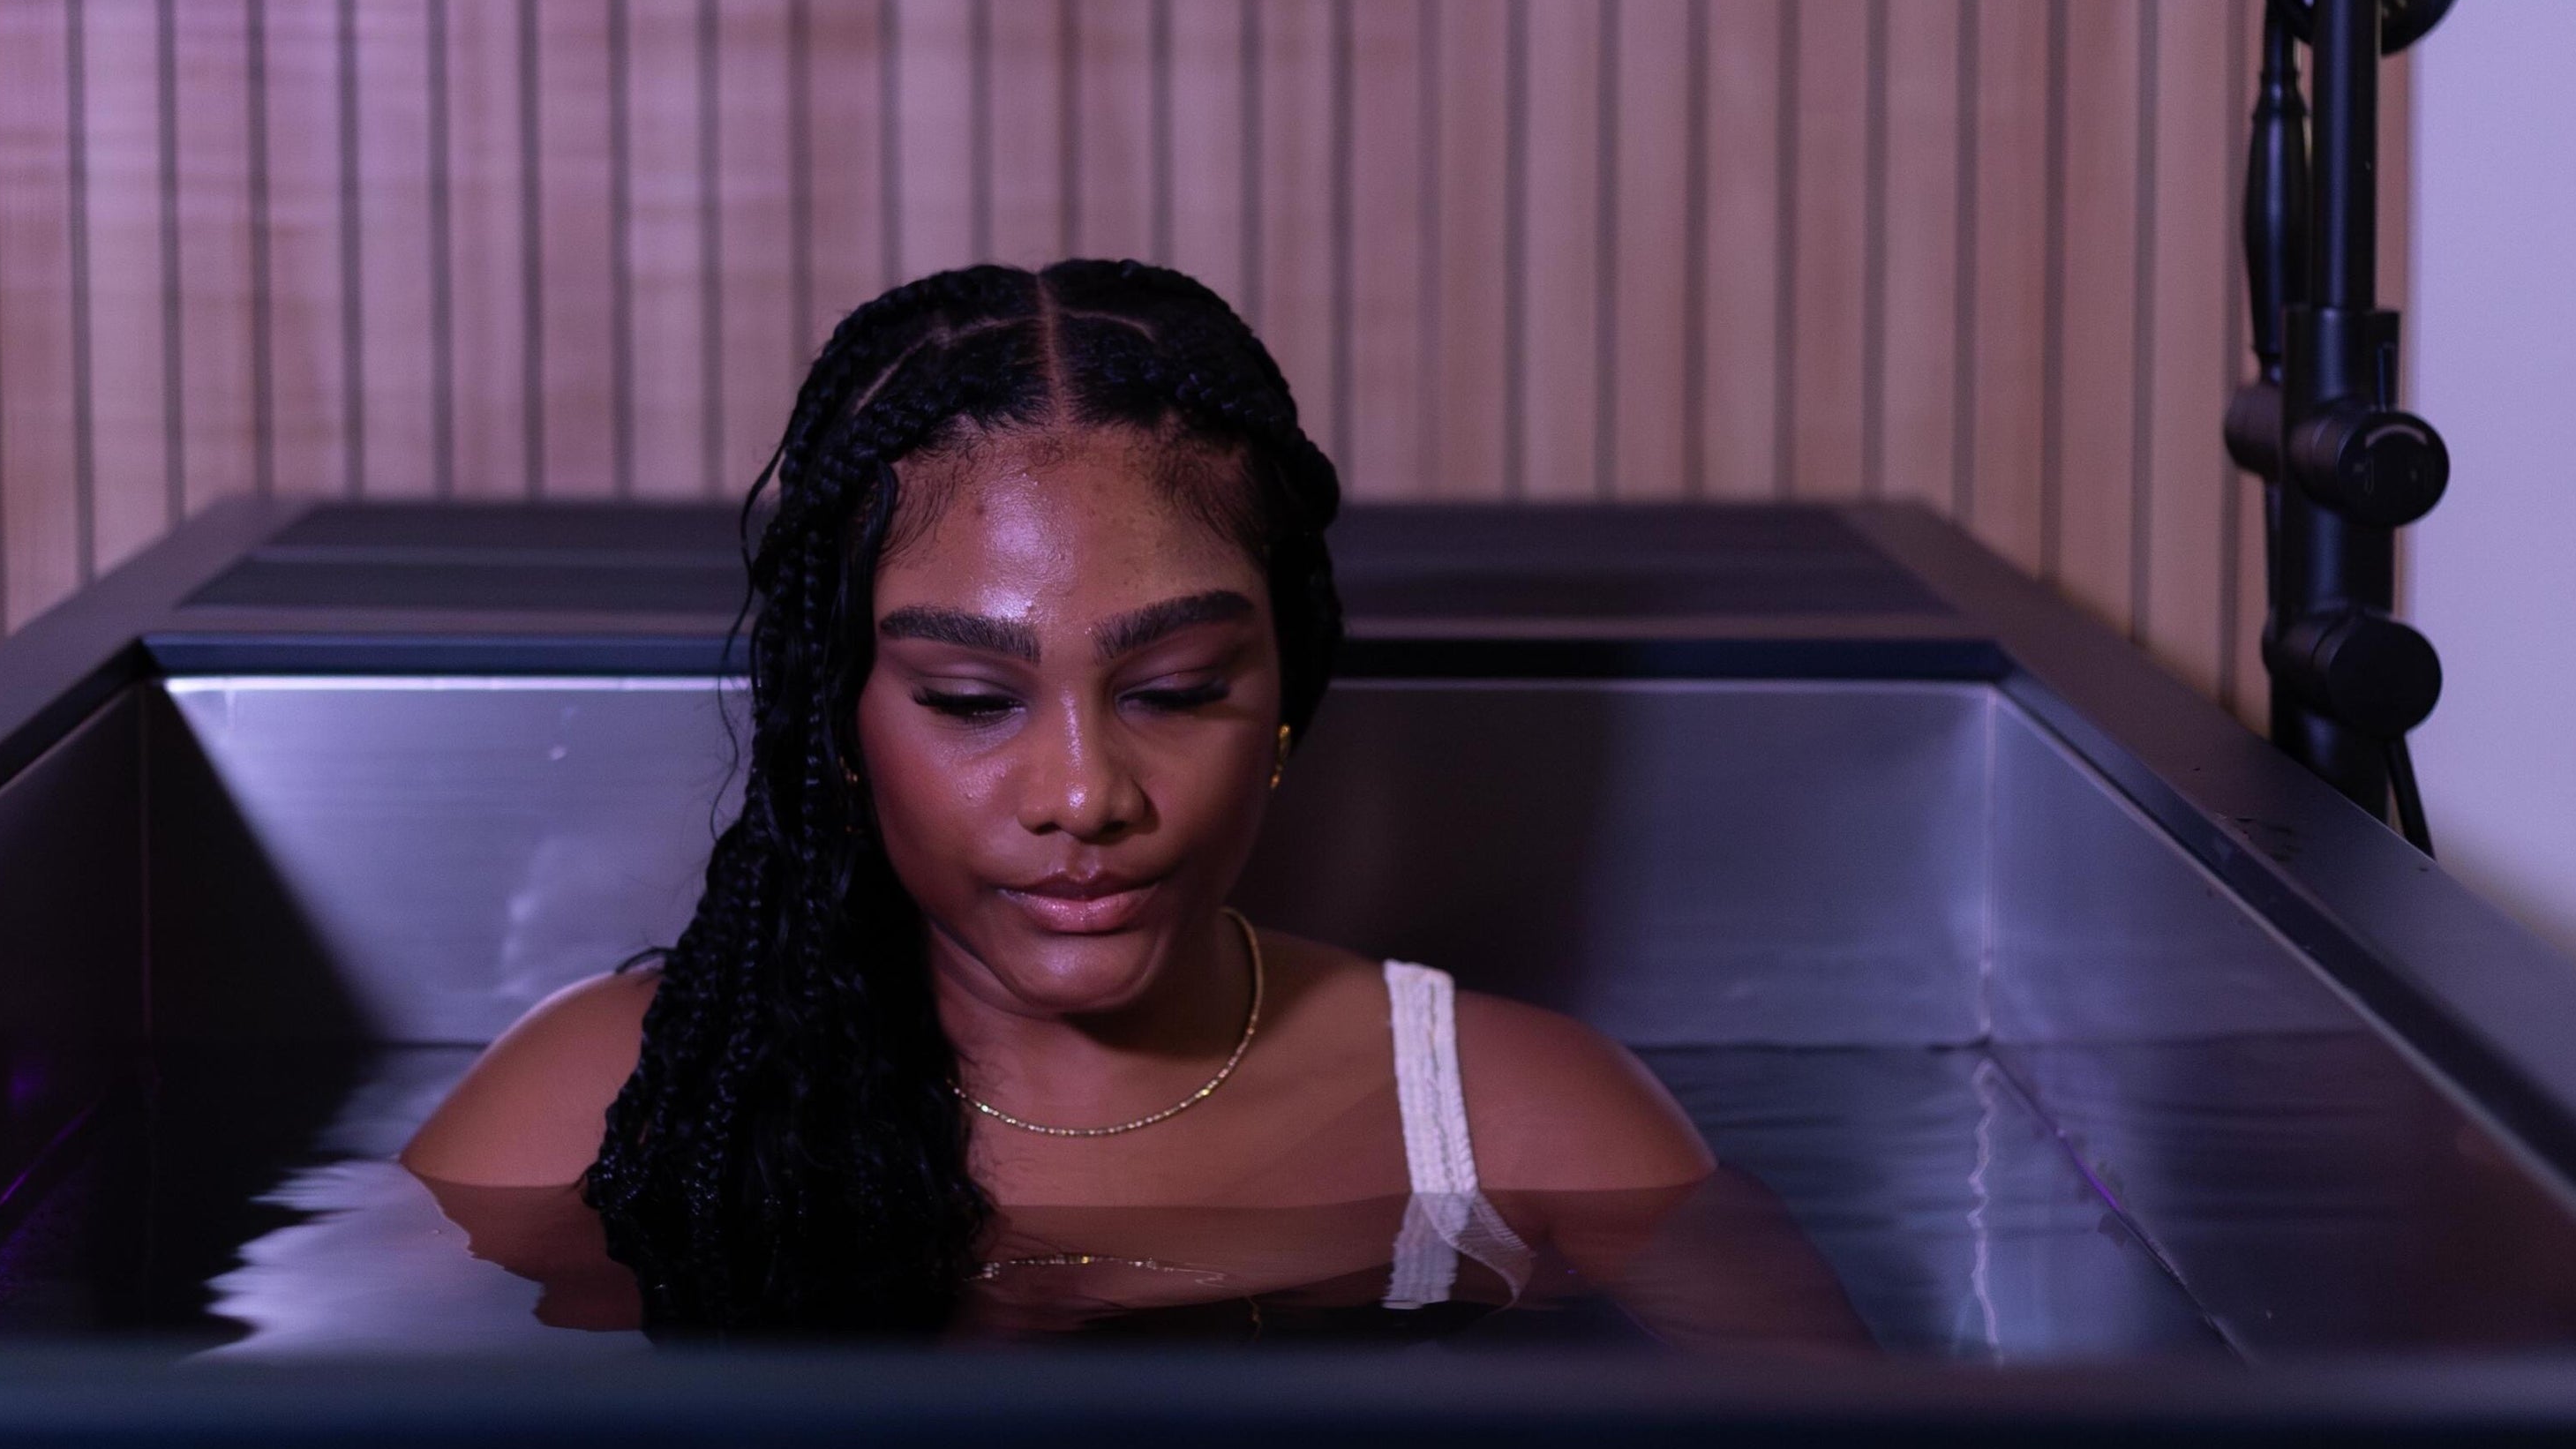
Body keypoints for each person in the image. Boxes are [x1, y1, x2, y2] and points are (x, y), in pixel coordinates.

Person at [407, 259, 1857, 1346]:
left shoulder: (1516, 1125)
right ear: (835, 720)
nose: (1085, 794)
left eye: (1172, 689)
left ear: (1284, 692)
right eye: (970, 701)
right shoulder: (596, 1109)